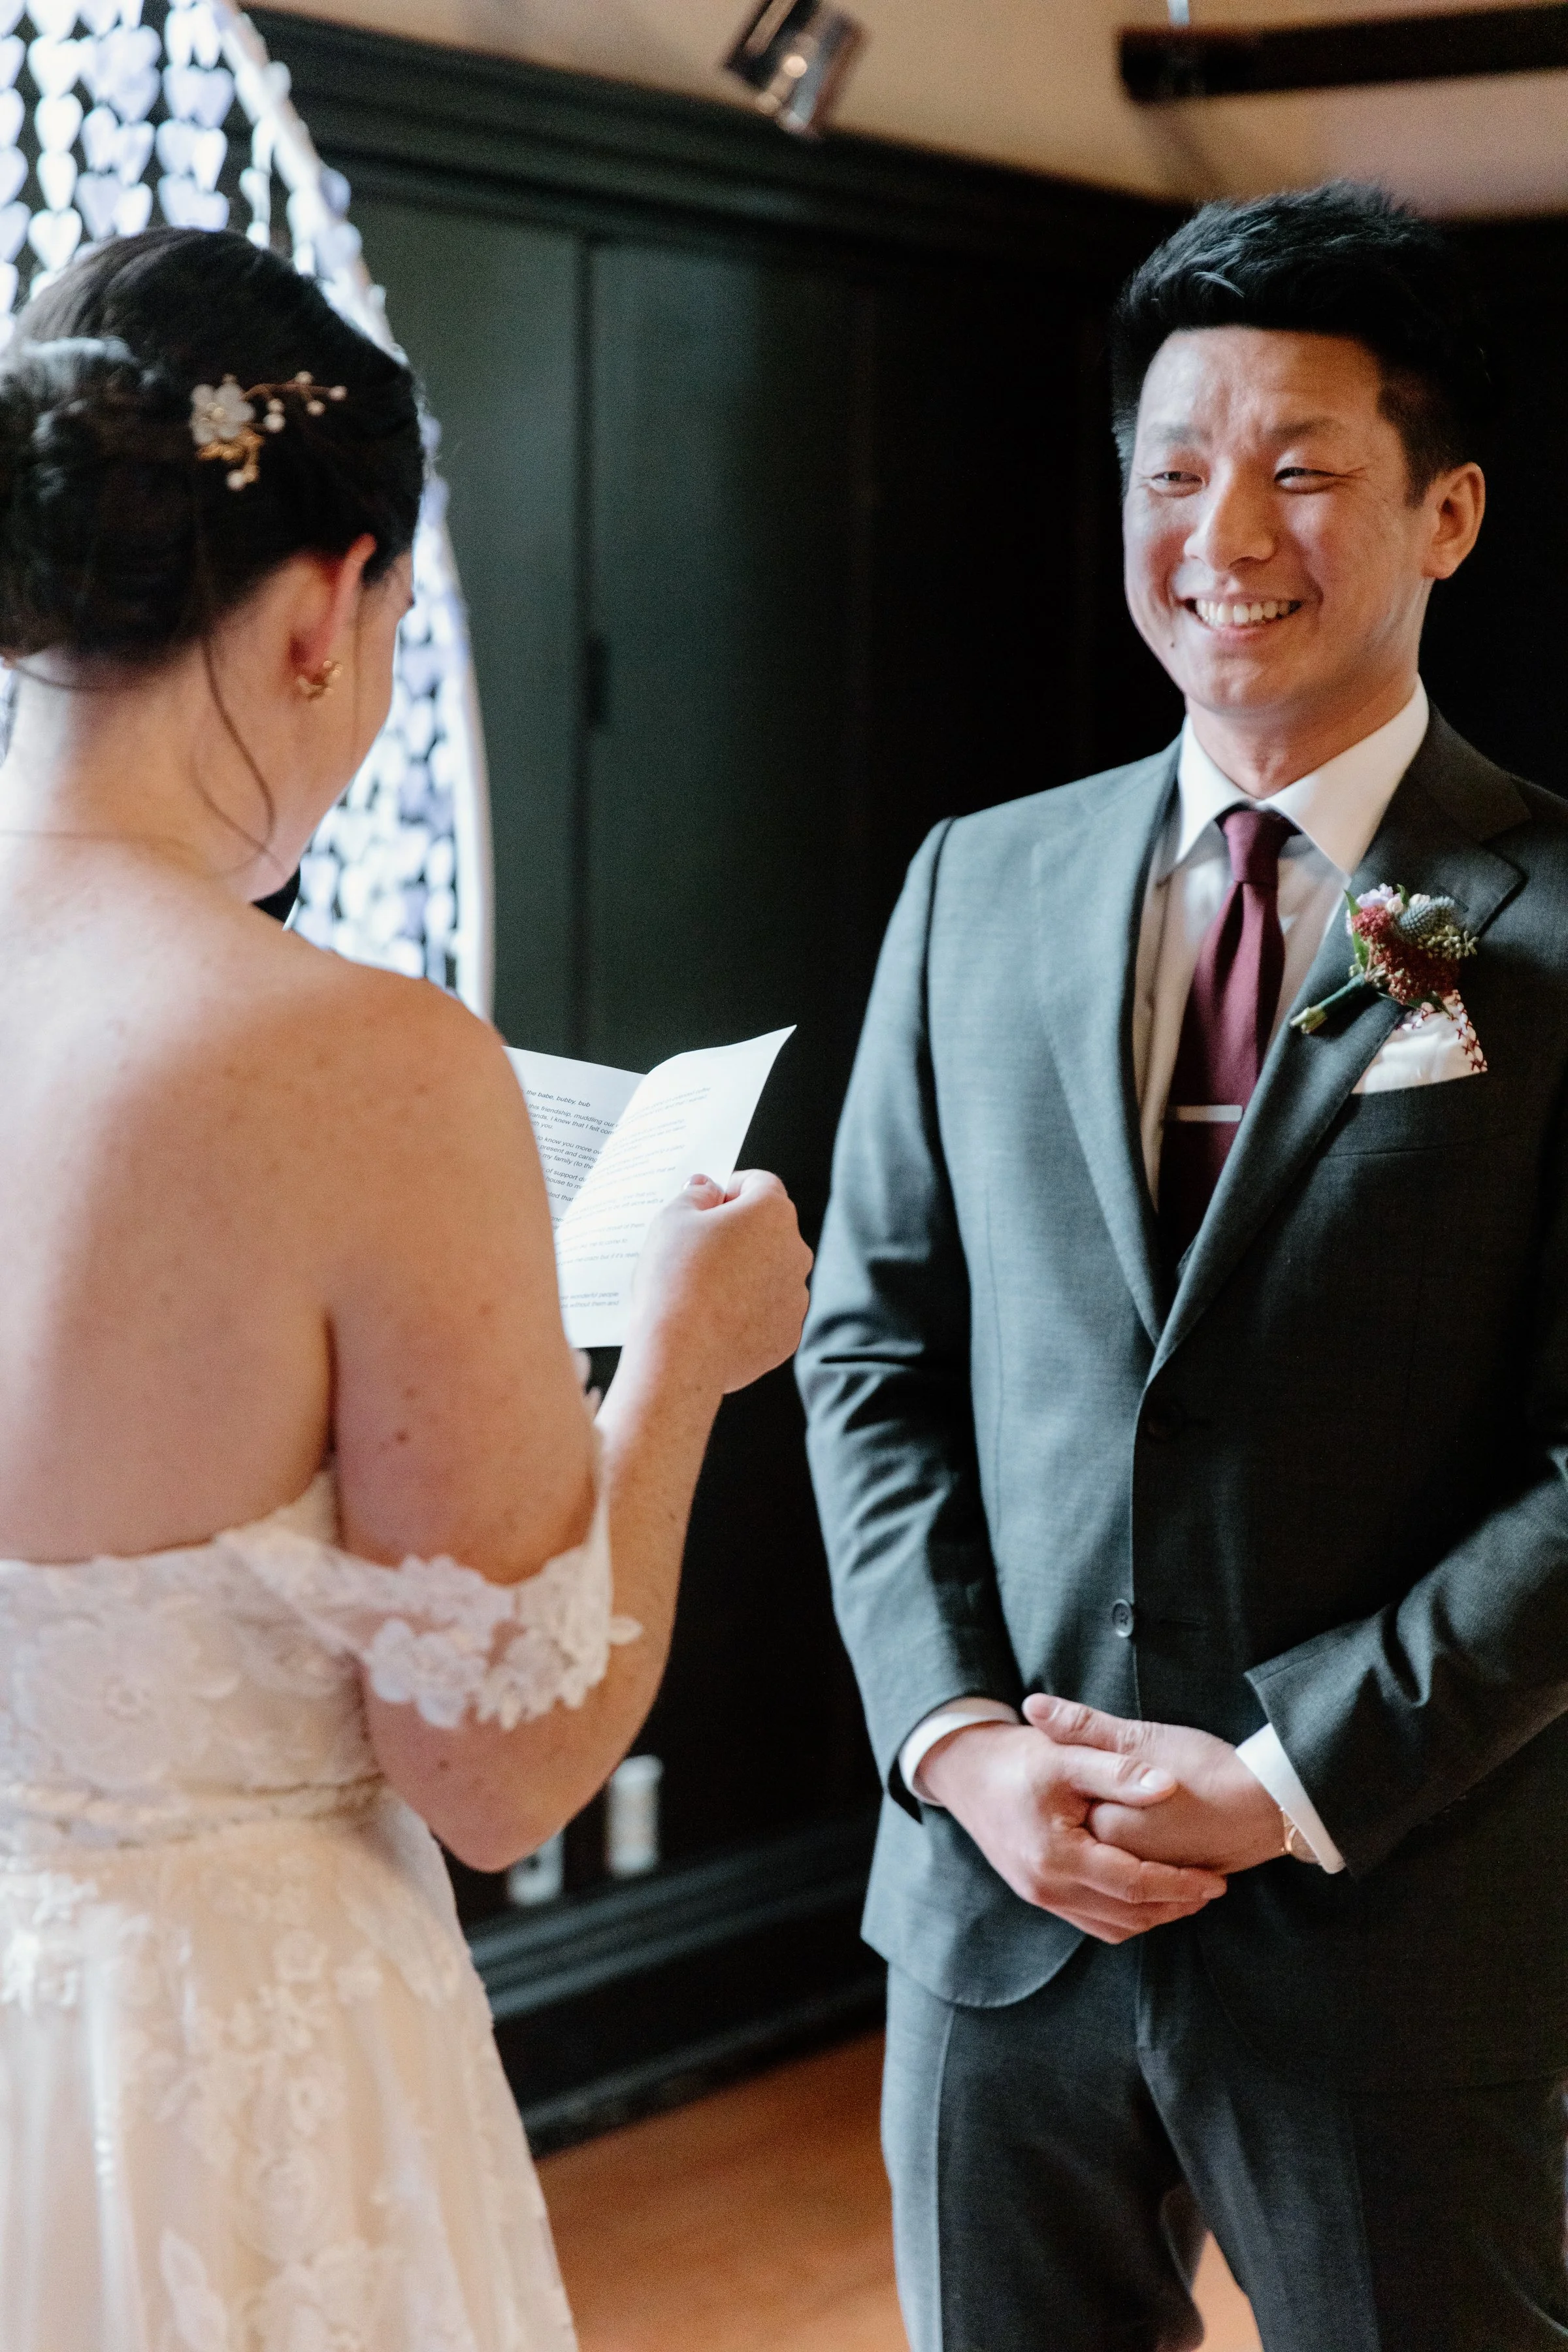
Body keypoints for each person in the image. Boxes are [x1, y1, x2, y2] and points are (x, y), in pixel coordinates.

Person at [0, 225, 810, 2350]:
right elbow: (501, 1767)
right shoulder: (360, 1064)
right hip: (222, 2067)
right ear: (329, 604)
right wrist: (693, 1365)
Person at [798, 180, 1568, 2351]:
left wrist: (1283, 1778)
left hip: (1397, 1919)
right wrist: (958, 1743)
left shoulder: (1544, 921)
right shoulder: (979, 885)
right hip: (997, 1917)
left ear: (1449, 515)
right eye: (1173, 467)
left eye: (1305, 468)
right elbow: (875, 1349)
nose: (1224, 527)